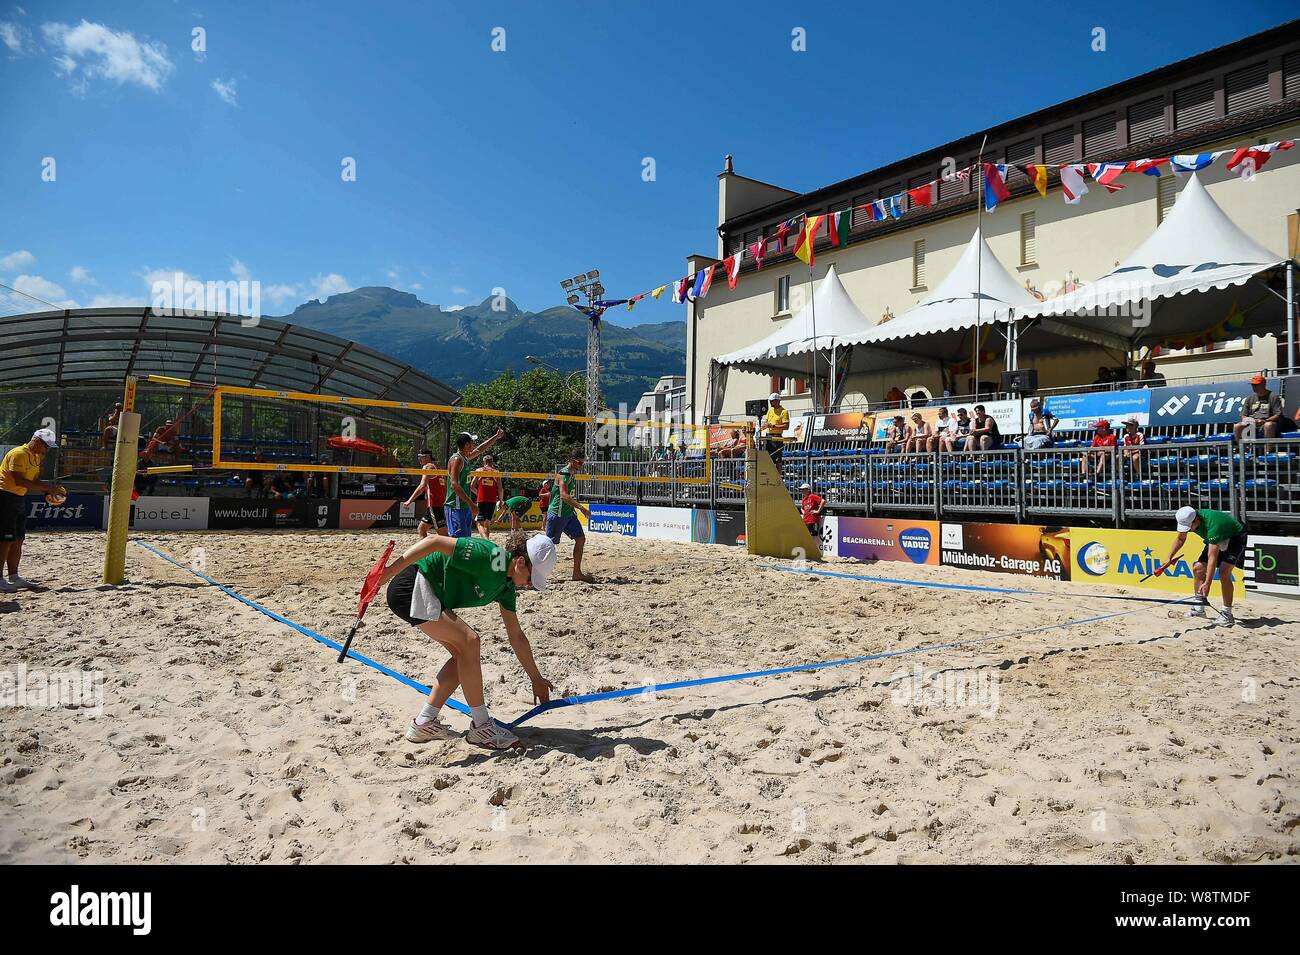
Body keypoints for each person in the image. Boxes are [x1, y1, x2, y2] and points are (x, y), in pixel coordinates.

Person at [380, 530, 558, 749]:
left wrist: (536, 678)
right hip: (412, 585)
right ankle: (482, 725)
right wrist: (388, 573)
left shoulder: (507, 586)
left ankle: (424, 722)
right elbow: (434, 541)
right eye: (531, 578)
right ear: (520, 562)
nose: (530, 585)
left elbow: (517, 636)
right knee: (470, 641)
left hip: (427, 594)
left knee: (463, 655)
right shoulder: (493, 557)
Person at [1156, 506, 1247, 626]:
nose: (1188, 530)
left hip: (1235, 537)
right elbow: (1180, 538)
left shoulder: (1213, 525)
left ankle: (1227, 614)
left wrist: (1208, 582)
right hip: (1216, 537)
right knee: (1198, 568)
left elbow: (1212, 558)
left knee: (1224, 573)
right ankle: (1199, 607)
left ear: (1197, 520)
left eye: (1189, 527)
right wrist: (1169, 557)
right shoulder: (1189, 518)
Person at [0, 429, 66, 593]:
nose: (47, 450)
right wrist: (48, 488)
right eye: (46, 446)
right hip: (5, 497)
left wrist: (48, 492)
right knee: (5, 540)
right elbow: (19, 480)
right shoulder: (19, 453)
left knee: (18, 539)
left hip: (18, 498)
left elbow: (33, 480)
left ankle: (14, 577)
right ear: (36, 441)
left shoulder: (36, 457)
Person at [446, 429, 505, 538]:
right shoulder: (456, 459)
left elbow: (481, 449)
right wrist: (471, 503)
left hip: (464, 505)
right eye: (472, 442)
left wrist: (496, 437)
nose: (474, 444)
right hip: (455, 505)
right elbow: (454, 485)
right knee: (457, 541)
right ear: (467, 444)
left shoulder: (465, 457)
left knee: (466, 539)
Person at [547, 449, 594, 582]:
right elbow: (563, 496)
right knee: (548, 546)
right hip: (558, 514)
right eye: (580, 462)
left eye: (583, 463)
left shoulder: (572, 473)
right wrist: (580, 507)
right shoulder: (564, 474)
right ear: (572, 461)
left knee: (580, 539)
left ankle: (577, 573)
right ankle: (529, 573)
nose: (581, 465)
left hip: (568, 514)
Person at [1234, 375, 1295, 441]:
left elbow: (1278, 414)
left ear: (1264, 384)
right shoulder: (1249, 398)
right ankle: (1243, 450)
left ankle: (1268, 450)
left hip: (1269, 423)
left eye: (1256, 385)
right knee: (1237, 426)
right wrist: (1251, 421)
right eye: (1253, 385)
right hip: (1252, 424)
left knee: (1268, 425)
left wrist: (1265, 421)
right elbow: (1243, 415)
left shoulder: (1273, 397)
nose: (1254, 387)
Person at [404, 448, 448, 538]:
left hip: (434, 504)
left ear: (427, 457)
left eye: (421, 457)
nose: (419, 459)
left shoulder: (428, 467)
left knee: (443, 535)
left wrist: (409, 500)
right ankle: (426, 551)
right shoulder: (438, 467)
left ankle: (450, 550)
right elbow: (445, 487)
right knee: (422, 529)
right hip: (439, 504)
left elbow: (422, 485)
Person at [471, 454, 502, 538]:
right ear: (492, 463)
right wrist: (501, 500)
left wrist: (479, 494)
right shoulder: (496, 472)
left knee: (479, 523)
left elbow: (471, 487)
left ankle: (486, 541)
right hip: (492, 500)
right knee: (487, 522)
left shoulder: (479, 470)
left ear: (484, 462)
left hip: (482, 500)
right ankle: (487, 540)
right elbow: (500, 489)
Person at [763, 393, 789, 464]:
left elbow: (786, 426)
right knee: (767, 459)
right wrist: (764, 426)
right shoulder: (770, 410)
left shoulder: (784, 412)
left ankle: (778, 475)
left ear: (778, 401)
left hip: (777, 437)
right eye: (770, 401)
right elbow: (766, 422)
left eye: (772, 401)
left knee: (777, 460)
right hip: (768, 436)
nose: (770, 402)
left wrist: (773, 426)